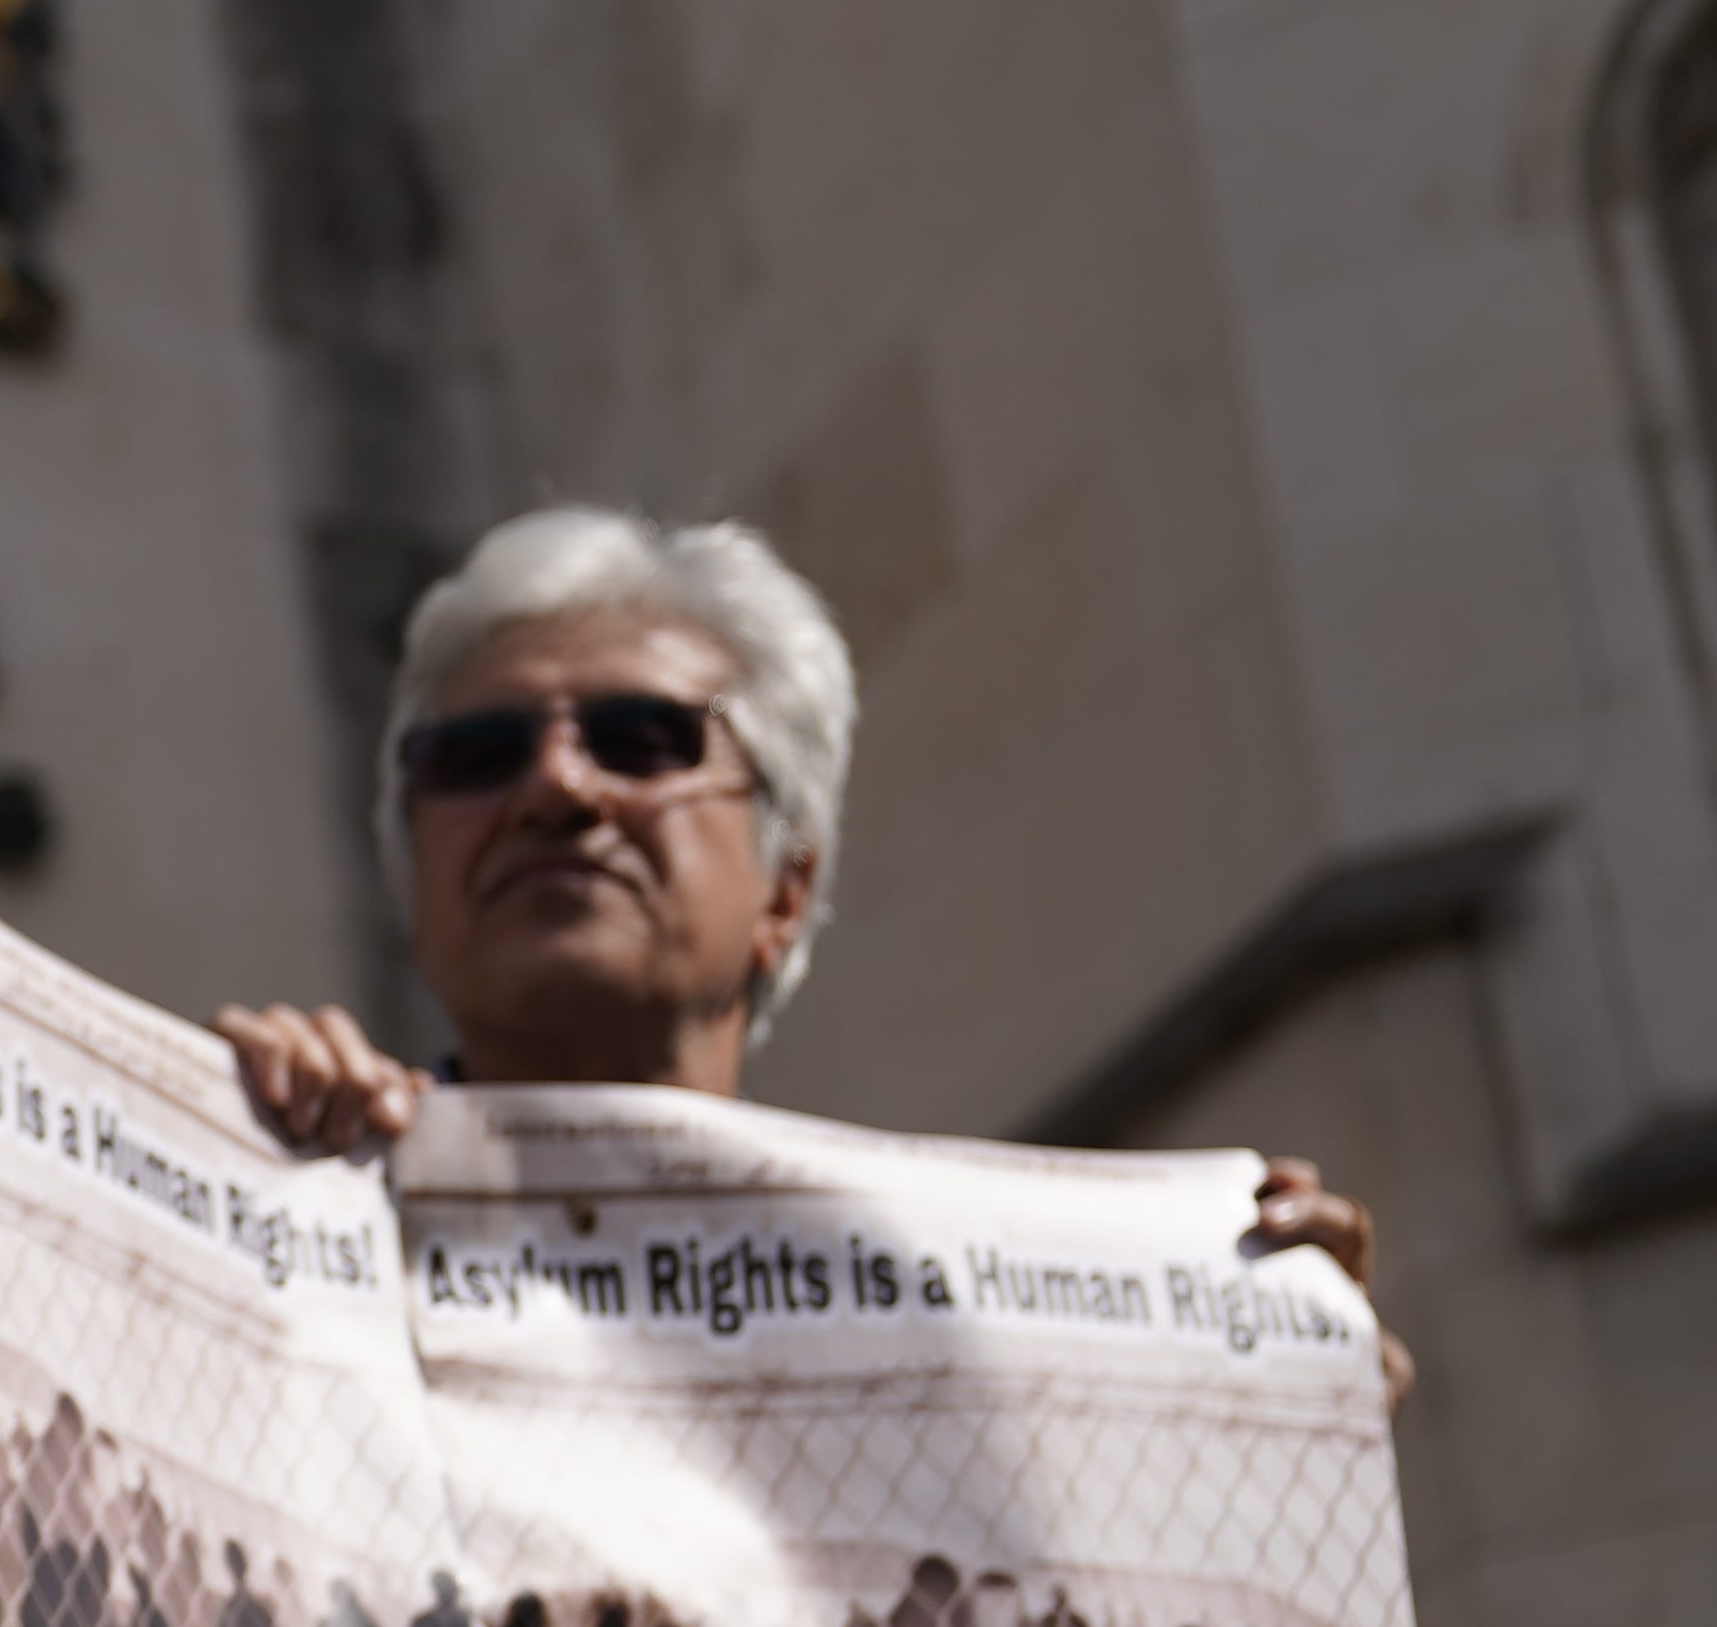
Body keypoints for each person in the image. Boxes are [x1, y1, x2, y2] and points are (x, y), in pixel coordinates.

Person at [179, 508, 1398, 1368]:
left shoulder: (965, 1306)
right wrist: (213, 1156)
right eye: (478, 756)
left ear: (785, 888)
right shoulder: (268, 1213)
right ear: (414, 878)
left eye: (643, 738)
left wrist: (1275, 1387)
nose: (554, 787)